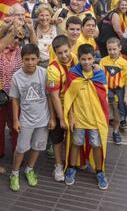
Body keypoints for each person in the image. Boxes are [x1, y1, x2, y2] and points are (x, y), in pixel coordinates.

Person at [9, 44, 55, 192]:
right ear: (22, 59)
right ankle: (14, 173)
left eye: (33, 59)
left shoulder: (44, 73)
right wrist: (15, 120)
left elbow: (49, 97)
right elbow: (15, 99)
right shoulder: (16, 77)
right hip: (26, 121)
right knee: (21, 148)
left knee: (37, 146)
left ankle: (29, 169)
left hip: (43, 119)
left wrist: (52, 118)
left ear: (38, 59)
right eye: (26, 59)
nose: (30, 62)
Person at [63, 44, 109, 190]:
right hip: (79, 118)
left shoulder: (100, 74)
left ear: (94, 58)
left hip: (95, 119)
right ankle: (71, 167)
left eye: (89, 59)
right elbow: (68, 98)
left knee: (97, 145)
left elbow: (104, 98)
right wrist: (70, 117)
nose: (86, 62)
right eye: (83, 59)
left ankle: (99, 171)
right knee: (76, 143)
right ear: (79, 58)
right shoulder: (73, 74)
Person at [47, 35, 77, 182]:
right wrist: (60, 118)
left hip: (76, 107)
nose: (64, 55)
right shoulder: (53, 68)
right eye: (60, 53)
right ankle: (58, 165)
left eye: (66, 51)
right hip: (59, 107)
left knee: (74, 136)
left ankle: (74, 162)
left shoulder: (76, 59)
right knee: (57, 138)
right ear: (55, 53)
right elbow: (54, 96)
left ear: (70, 48)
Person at [99, 38, 127, 144]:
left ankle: (116, 132)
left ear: (120, 48)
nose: (112, 52)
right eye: (109, 50)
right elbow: (100, 77)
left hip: (119, 90)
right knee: (105, 112)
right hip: (107, 90)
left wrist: (126, 95)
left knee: (119, 111)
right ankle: (101, 131)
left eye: (114, 49)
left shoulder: (124, 63)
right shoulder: (103, 61)